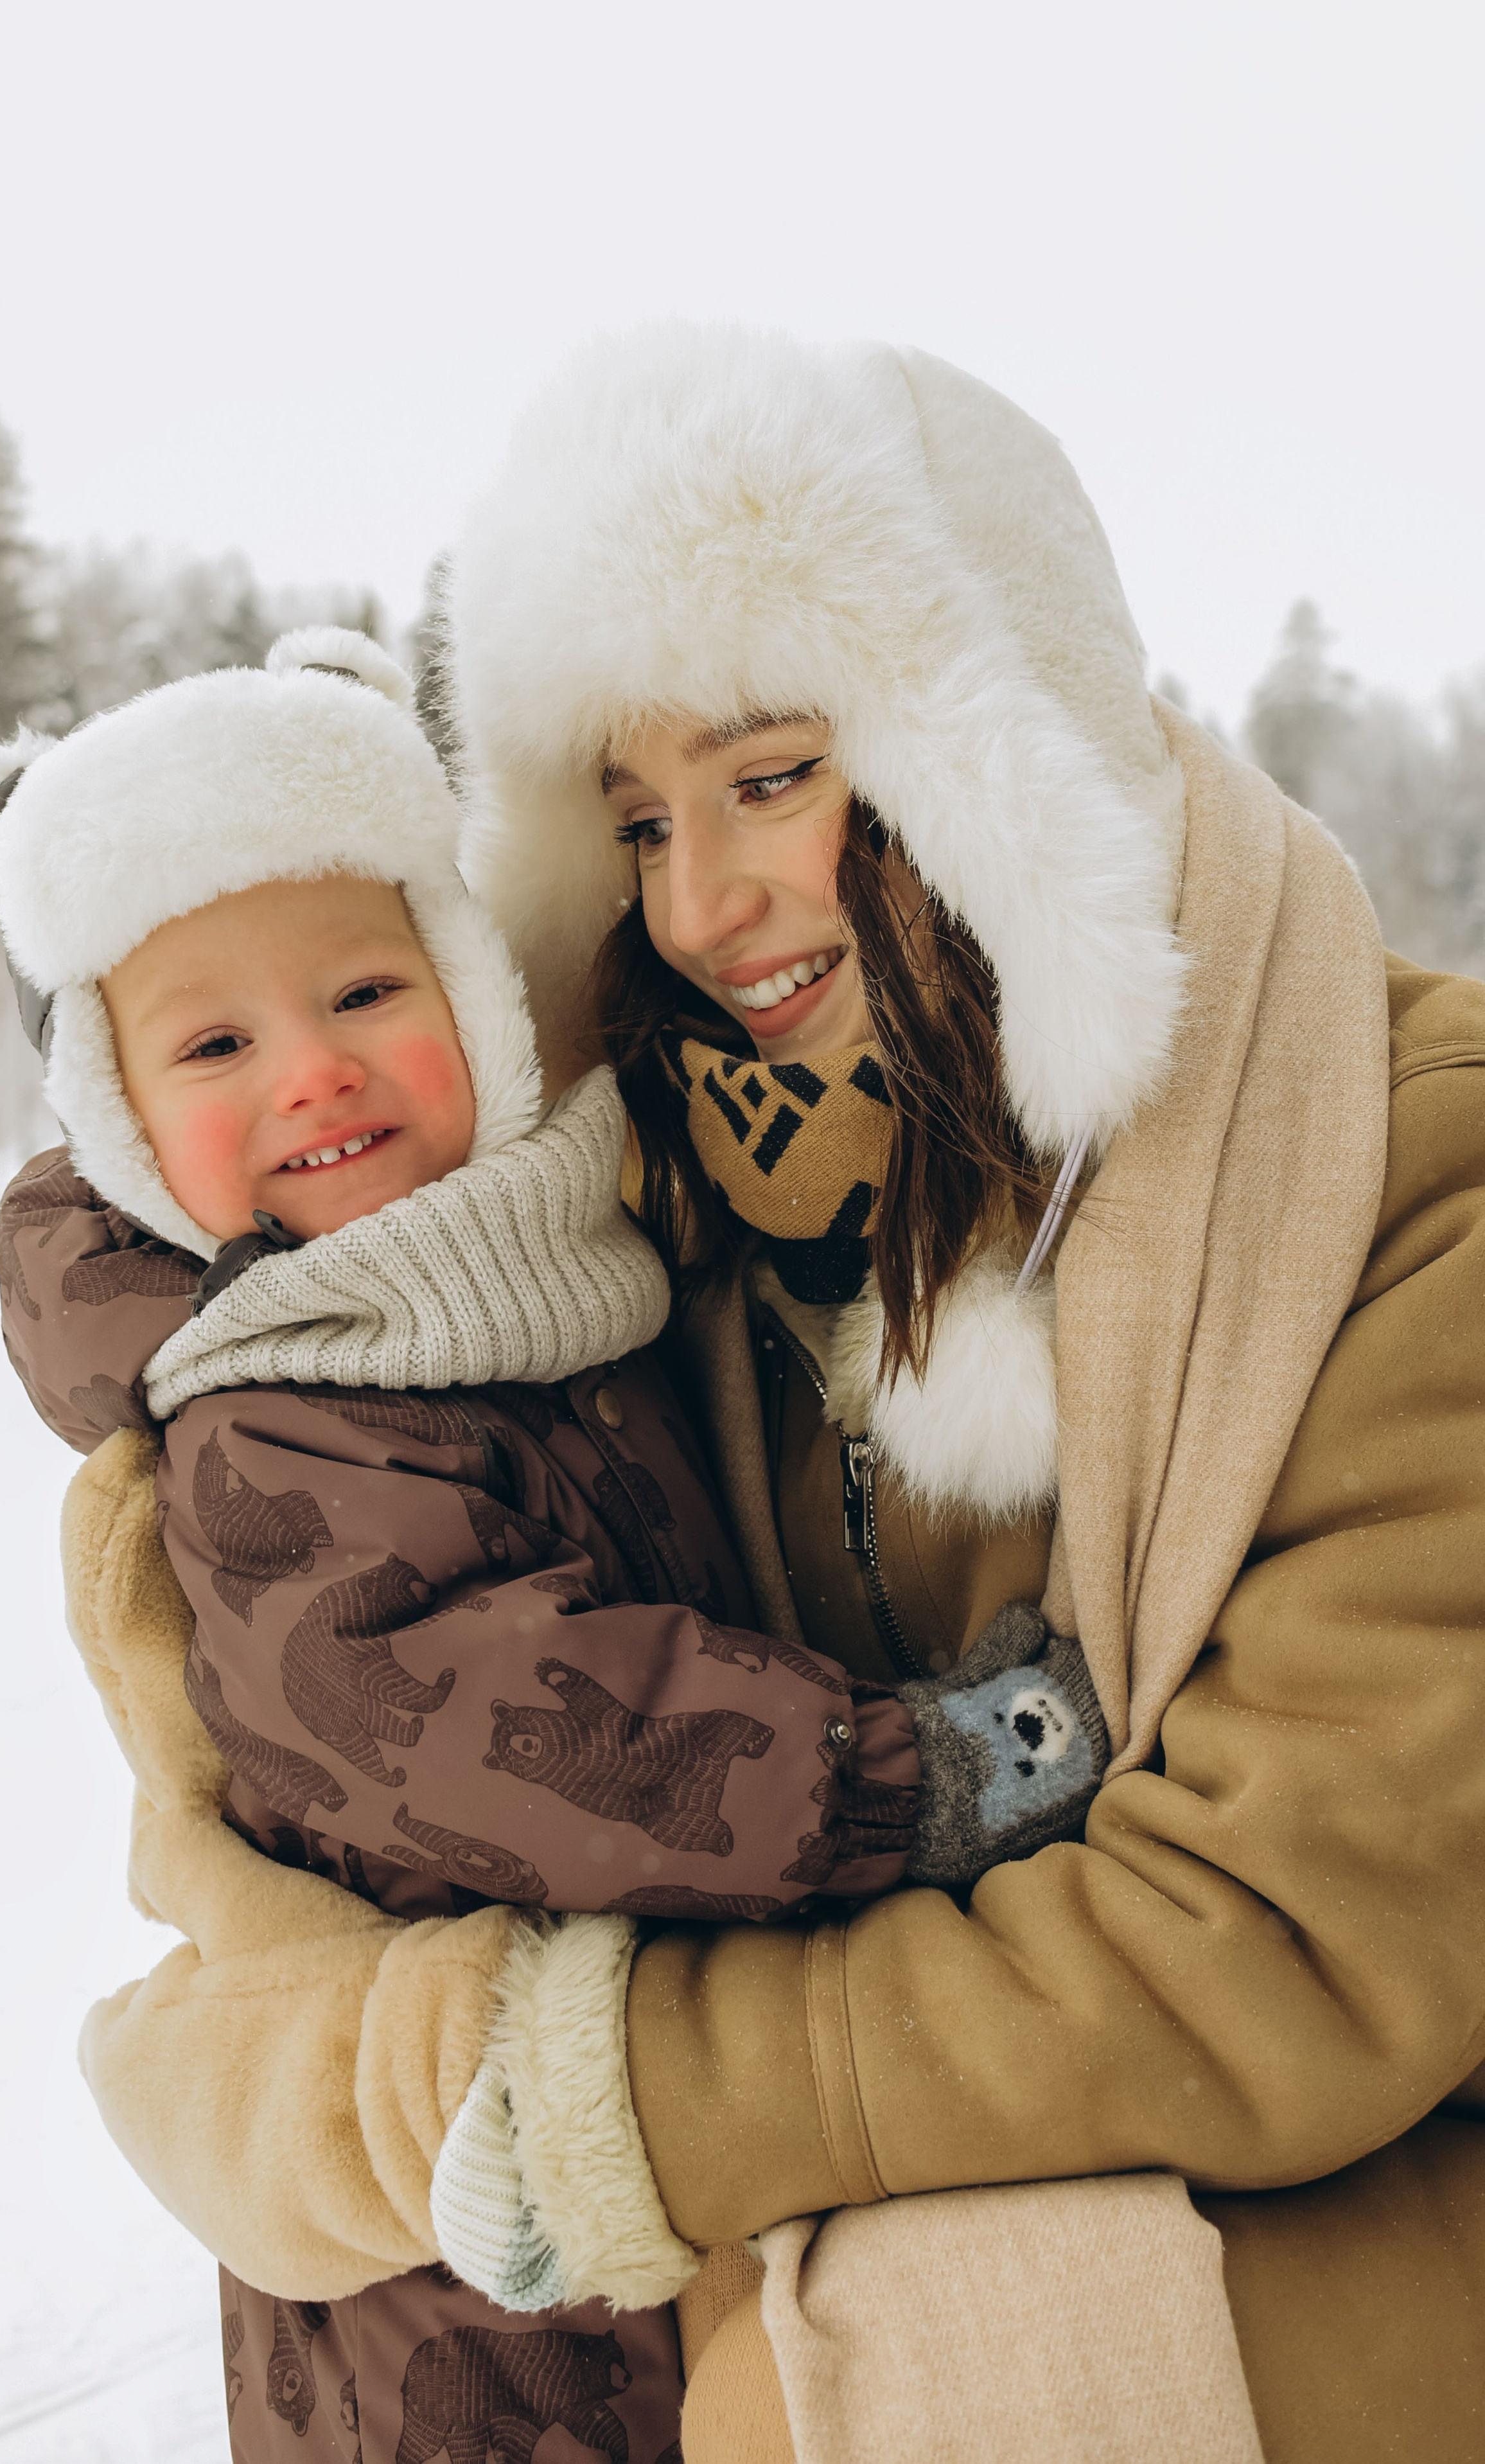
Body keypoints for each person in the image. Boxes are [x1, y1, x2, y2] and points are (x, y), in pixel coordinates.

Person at [421, 324, 1485, 2463]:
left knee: (815, 2399)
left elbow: (1294, 1935)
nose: (701, 904)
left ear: (990, 748)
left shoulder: (1405, 1160)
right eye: (634, 821)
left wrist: (646, 2095)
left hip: (1391, 2159)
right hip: (990, 2133)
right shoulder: (680, 1221)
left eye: (772, 774)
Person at [0, 623, 1107, 2462]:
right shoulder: (273, 1421)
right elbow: (517, 1722)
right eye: (216, 1043)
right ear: (119, 1123)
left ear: (473, 992)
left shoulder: (536, 1275)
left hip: (667, 2206)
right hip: (480, 2333)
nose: (314, 1075)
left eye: (361, 992)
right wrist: (906, 1778)